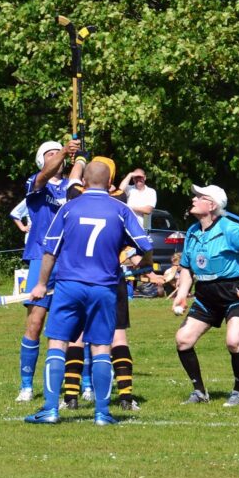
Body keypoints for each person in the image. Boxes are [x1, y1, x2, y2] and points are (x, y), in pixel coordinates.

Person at [24, 161, 154, 425]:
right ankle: (102, 413)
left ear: (83, 182)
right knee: (101, 347)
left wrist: (40, 284)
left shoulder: (68, 208)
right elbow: (144, 244)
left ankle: (50, 410)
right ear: (109, 184)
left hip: (68, 285)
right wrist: (145, 263)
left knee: (58, 343)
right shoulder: (121, 209)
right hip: (104, 287)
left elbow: (50, 251)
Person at [59, 155, 161, 412]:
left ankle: (70, 396)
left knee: (76, 337)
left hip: (76, 278)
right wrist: (143, 263)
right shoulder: (120, 201)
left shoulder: (74, 198)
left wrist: (79, 157)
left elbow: (73, 179)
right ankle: (125, 397)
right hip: (109, 278)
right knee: (117, 336)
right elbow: (141, 244)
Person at [172, 184, 239, 408]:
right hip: (206, 295)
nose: (194, 199)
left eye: (200, 196)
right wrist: (181, 295)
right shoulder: (193, 231)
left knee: (234, 341)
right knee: (183, 340)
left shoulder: (229, 228)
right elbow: (187, 267)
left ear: (212, 205)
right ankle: (199, 392)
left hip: (233, 293)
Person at [15, 139, 80, 402]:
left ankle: (82, 383)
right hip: (41, 259)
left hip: (72, 260)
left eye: (60, 154)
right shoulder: (36, 182)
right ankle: (27, 386)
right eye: (50, 154)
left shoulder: (76, 185)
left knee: (77, 327)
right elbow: (44, 175)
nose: (57, 157)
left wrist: (81, 159)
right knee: (35, 323)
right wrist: (64, 150)